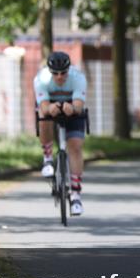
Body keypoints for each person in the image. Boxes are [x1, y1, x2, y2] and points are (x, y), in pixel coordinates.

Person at [34, 51, 88, 216]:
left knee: (76, 147)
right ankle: (48, 159)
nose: (59, 77)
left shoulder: (78, 78)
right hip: (50, 107)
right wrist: (51, 108)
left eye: (63, 73)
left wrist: (71, 108)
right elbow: (43, 107)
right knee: (44, 117)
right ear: (49, 71)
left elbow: (78, 105)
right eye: (55, 73)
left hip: (72, 110)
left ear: (68, 69)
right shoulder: (41, 79)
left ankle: (76, 195)